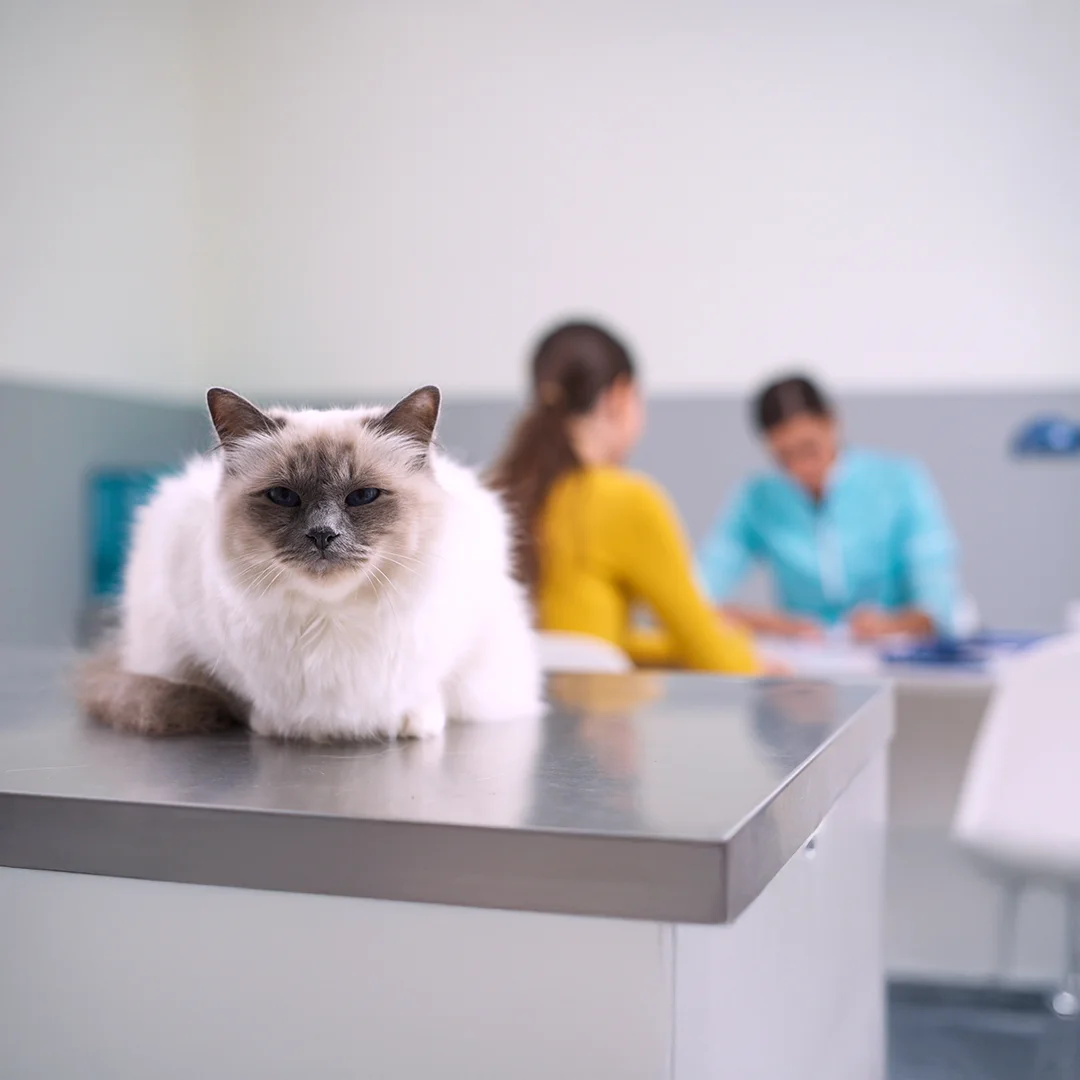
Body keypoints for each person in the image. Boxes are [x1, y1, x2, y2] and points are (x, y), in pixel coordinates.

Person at [489, 320, 760, 674]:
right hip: (595, 725)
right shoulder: (628, 499)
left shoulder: (494, 491)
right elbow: (713, 656)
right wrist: (748, 647)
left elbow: (576, 642)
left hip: (510, 720)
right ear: (619, 395)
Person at [697, 374, 959, 642]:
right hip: (805, 666)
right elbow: (698, 592)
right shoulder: (757, 498)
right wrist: (769, 623)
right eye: (784, 457)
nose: (801, 467)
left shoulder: (900, 481)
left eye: (809, 448)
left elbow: (938, 599)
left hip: (897, 656)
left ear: (832, 422)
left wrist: (890, 625)